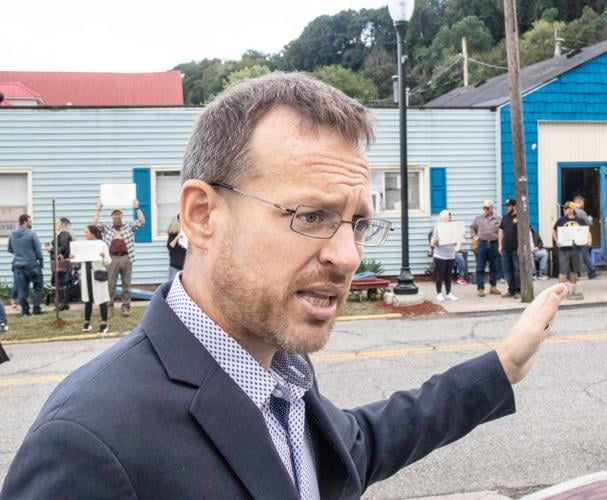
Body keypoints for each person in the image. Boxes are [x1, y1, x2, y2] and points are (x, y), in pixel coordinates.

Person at [2, 73, 567, 499]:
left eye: (358, 224)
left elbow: (356, 447)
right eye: (311, 216)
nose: (347, 256)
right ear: (201, 215)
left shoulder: (280, 374)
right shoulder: (88, 446)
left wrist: (502, 367)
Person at [93, 199, 145, 317]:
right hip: (111, 258)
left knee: (127, 284)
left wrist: (137, 208)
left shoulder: (128, 225)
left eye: (118, 214)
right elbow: (94, 224)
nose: (117, 216)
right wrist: (98, 209)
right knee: (110, 284)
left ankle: (125, 307)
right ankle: (109, 308)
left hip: (126, 257)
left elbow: (142, 222)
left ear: (121, 215)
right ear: (112, 216)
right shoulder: (107, 227)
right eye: (115, 214)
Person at [73, 225, 111, 333]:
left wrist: (102, 256)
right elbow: (80, 259)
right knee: (87, 299)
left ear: (93, 233)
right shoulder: (83, 245)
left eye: (86, 232)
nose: (85, 234)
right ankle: (87, 323)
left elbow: (108, 261)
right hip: (86, 274)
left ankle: (104, 324)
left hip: (97, 274)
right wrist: (73, 257)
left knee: (101, 298)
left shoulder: (101, 244)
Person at [7, 214, 44, 316]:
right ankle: (36, 310)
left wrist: (19, 252)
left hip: (18, 265)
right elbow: (38, 251)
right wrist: (41, 262)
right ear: (25, 222)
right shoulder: (32, 234)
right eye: (30, 221)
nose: (31, 223)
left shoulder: (12, 234)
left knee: (22, 289)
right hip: (32, 265)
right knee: (38, 286)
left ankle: (25, 311)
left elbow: (10, 249)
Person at [552, 202, 590, 295]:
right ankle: (560, 291)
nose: (565, 210)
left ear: (572, 209)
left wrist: (588, 240)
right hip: (564, 250)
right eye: (565, 208)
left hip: (576, 249)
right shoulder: (561, 220)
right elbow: (554, 231)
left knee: (574, 271)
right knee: (563, 271)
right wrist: (556, 240)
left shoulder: (580, 221)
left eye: (567, 208)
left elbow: (587, 231)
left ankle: (573, 290)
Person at [471, 200, 503, 297]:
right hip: (482, 244)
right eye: (484, 208)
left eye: (487, 208)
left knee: (494, 267)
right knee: (480, 267)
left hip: (494, 244)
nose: (485, 209)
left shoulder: (498, 218)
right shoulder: (478, 218)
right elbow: (472, 228)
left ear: (492, 208)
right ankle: (480, 288)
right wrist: (474, 236)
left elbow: (502, 230)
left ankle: (493, 287)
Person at [44, 217, 74, 311]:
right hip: (65, 262)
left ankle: (62, 303)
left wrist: (51, 249)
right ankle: (65, 303)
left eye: (58, 223)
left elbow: (63, 248)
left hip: (62, 263)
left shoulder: (63, 234)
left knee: (61, 282)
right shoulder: (65, 235)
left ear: (63, 224)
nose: (56, 225)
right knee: (64, 283)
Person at [430, 210, 459, 302]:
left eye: (450, 217)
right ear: (444, 218)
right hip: (440, 256)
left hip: (450, 255)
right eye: (449, 217)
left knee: (448, 275)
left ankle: (448, 293)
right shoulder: (437, 229)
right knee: (440, 275)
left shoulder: (452, 229)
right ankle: (439, 293)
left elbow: (456, 241)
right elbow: (434, 243)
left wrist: (457, 241)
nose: (450, 219)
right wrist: (438, 239)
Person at [498, 198, 520, 298]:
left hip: (516, 249)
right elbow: (501, 230)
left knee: (517, 270)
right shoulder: (505, 218)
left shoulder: (520, 217)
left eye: (508, 206)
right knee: (507, 271)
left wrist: (520, 247)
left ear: (514, 206)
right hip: (506, 249)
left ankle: (518, 290)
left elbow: (525, 232)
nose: (506, 208)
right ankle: (511, 290)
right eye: (506, 206)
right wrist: (500, 245)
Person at [573, 194, 598, 279]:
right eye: (583, 202)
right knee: (585, 254)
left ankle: (576, 273)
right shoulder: (581, 212)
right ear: (580, 202)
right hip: (581, 234)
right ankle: (592, 271)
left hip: (572, 235)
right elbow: (589, 223)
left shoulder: (571, 211)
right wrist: (590, 219)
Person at [167, 215, 188, 281]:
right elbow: (170, 246)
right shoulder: (173, 233)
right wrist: (178, 237)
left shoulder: (186, 233)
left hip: (185, 265)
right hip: (175, 265)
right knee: (172, 282)